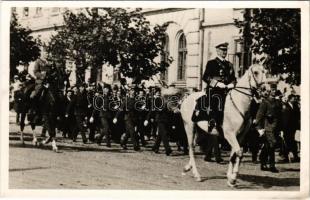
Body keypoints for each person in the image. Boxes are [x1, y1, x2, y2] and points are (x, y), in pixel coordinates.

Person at [194, 42, 236, 163]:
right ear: (217, 51)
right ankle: (212, 121)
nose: (224, 52)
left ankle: (208, 153)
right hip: (215, 92)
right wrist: (218, 84)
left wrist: (232, 84)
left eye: (225, 50)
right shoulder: (212, 63)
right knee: (215, 108)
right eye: (222, 50)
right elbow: (206, 77)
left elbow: (233, 78)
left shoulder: (229, 64)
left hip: (227, 91)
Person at [255, 83, 280, 173]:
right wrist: (259, 128)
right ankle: (272, 165)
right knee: (272, 144)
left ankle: (262, 161)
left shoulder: (277, 102)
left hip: (275, 127)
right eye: (272, 90)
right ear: (269, 91)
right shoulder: (265, 102)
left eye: (275, 89)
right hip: (267, 126)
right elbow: (259, 115)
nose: (274, 91)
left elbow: (279, 115)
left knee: (268, 146)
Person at [280, 94, 300, 162]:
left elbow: (298, 117)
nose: (294, 99)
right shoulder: (285, 106)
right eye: (293, 98)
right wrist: (282, 128)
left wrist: (298, 127)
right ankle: (286, 157)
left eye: (294, 98)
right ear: (289, 99)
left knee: (293, 141)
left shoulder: (295, 106)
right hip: (286, 127)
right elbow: (284, 118)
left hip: (293, 127)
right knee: (286, 142)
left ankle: (295, 156)